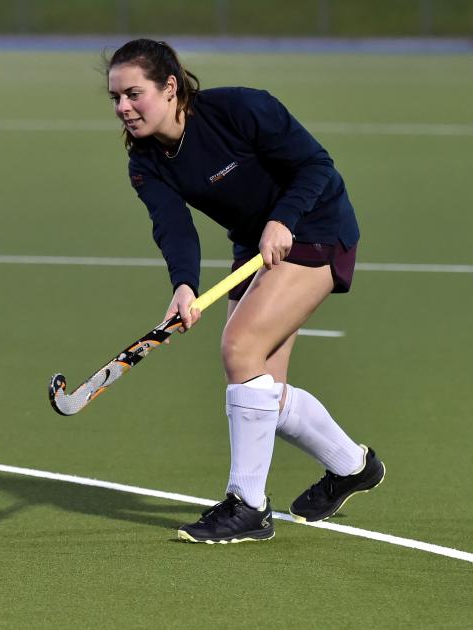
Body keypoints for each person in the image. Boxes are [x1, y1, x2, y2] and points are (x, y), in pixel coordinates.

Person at [106, 38, 385, 544]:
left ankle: (248, 505)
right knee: (260, 386)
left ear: (170, 88)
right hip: (258, 245)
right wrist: (184, 285)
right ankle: (352, 466)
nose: (124, 107)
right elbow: (174, 227)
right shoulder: (146, 161)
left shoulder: (241, 108)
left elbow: (317, 166)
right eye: (116, 99)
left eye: (133, 93)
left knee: (240, 349)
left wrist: (284, 218)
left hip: (317, 226)